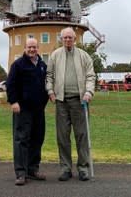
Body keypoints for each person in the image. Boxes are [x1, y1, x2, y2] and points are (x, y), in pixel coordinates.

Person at [46, 27, 95, 182]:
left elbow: (90, 75)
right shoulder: (55, 55)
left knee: (82, 135)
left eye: (70, 37)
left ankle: (83, 168)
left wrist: (89, 92)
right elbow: (49, 75)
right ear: (61, 39)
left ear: (75, 39)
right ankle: (65, 168)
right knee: (63, 137)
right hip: (61, 101)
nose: (68, 40)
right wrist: (50, 91)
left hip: (80, 101)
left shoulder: (84, 56)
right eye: (65, 37)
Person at [6, 37, 49, 186]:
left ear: (38, 48)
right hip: (23, 109)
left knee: (37, 139)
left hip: (38, 110)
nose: (32, 49)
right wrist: (13, 101)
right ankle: (21, 173)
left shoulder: (42, 65)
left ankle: (32, 169)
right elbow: (10, 84)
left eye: (34, 47)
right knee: (21, 140)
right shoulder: (18, 65)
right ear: (24, 48)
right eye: (29, 47)